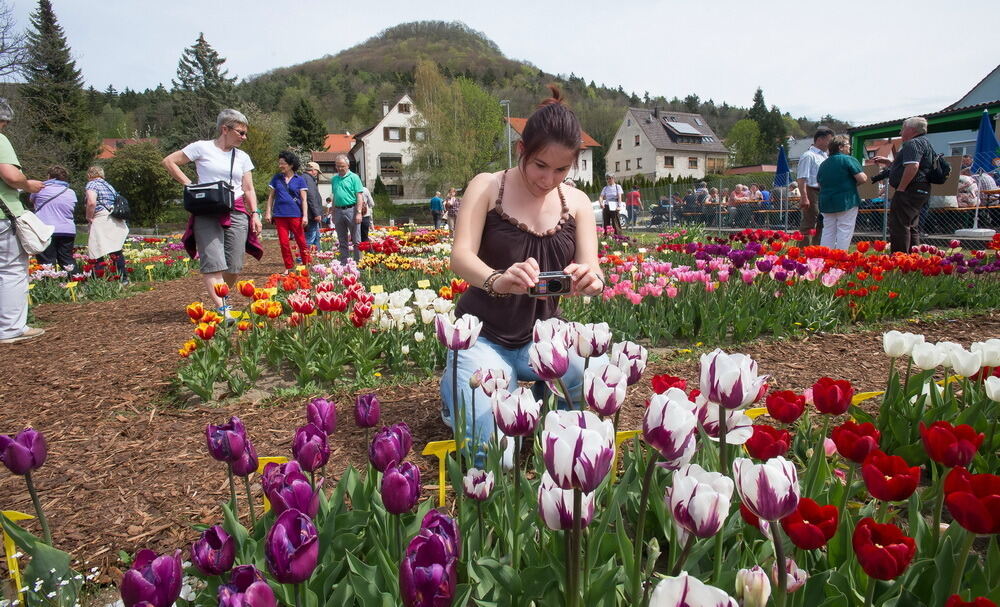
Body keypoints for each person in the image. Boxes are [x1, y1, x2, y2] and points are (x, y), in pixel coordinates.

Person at [443, 86, 606, 462]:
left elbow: (594, 271)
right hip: (484, 336)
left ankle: (547, 424)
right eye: (540, 165)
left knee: (591, 386)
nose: (549, 179)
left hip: (544, 338)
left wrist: (589, 282)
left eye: (562, 169)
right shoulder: (487, 186)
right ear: (522, 151)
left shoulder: (577, 202)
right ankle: (457, 390)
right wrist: (497, 279)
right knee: (495, 457)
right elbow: (460, 255)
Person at [163, 108, 263, 314]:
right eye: (241, 132)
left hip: (235, 210)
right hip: (206, 210)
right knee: (213, 261)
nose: (244, 137)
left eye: (246, 133)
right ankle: (222, 307)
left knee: (234, 265)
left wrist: (255, 213)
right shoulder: (201, 148)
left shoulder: (243, 157)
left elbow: (248, 188)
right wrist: (189, 185)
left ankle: (222, 295)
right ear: (225, 129)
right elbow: (169, 161)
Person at [0, 98, 45, 343]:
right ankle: (10, 329)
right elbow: (10, 175)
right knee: (11, 270)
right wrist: (28, 184)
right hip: (2, 217)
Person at [872, 117, 934, 253]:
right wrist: (890, 163)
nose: (901, 132)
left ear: (911, 129)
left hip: (909, 189)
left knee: (899, 224)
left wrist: (901, 188)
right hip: (920, 189)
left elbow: (913, 166)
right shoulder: (925, 143)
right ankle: (913, 258)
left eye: (903, 128)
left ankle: (899, 258)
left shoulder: (913, 143)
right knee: (911, 225)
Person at [816, 135, 867, 250]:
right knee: (844, 230)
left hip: (827, 203)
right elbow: (862, 178)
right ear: (841, 147)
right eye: (848, 146)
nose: (850, 149)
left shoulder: (823, 164)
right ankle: (840, 258)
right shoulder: (848, 159)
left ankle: (824, 258)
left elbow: (819, 184)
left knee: (828, 231)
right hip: (846, 200)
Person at [265, 151, 312, 271]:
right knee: (284, 243)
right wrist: (268, 212)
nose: (280, 165)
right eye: (279, 163)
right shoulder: (276, 178)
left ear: (291, 165)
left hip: (296, 214)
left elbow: (304, 199)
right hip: (280, 215)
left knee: (301, 241)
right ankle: (289, 267)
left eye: (283, 163)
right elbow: (271, 197)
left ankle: (307, 265)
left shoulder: (300, 180)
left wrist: (305, 216)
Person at [84, 166, 129, 285]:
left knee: (96, 250)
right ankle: (123, 278)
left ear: (89, 175)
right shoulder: (109, 186)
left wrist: (89, 217)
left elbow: (92, 202)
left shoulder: (92, 184)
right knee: (115, 250)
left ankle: (98, 280)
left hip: (101, 218)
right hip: (113, 218)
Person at [31, 165, 77, 270]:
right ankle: (76, 281)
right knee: (67, 261)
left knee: (47, 262)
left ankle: (49, 285)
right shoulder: (70, 192)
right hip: (67, 230)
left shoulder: (39, 190)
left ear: (49, 176)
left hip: (45, 230)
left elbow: (32, 201)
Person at [796, 127, 834, 246]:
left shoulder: (825, 156)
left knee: (822, 222)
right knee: (809, 222)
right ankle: (802, 250)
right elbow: (802, 177)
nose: (830, 143)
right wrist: (804, 196)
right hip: (811, 190)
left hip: (823, 192)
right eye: (829, 140)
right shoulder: (808, 155)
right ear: (820, 140)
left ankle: (816, 249)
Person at [330, 154, 364, 264]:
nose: (340, 168)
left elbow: (359, 195)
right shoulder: (334, 179)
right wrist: (333, 213)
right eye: (338, 166)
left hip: (352, 210)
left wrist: (358, 213)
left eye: (342, 166)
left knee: (356, 240)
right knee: (342, 240)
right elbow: (335, 196)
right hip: (339, 211)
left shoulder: (354, 177)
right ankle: (344, 264)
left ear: (348, 165)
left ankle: (359, 264)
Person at [302, 161, 324, 251]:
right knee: (310, 238)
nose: (317, 174)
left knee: (316, 237)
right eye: (317, 172)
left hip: (309, 214)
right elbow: (311, 197)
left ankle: (317, 256)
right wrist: (316, 213)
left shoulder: (303, 178)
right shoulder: (309, 180)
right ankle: (303, 259)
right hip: (311, 215)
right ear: (314, 170)